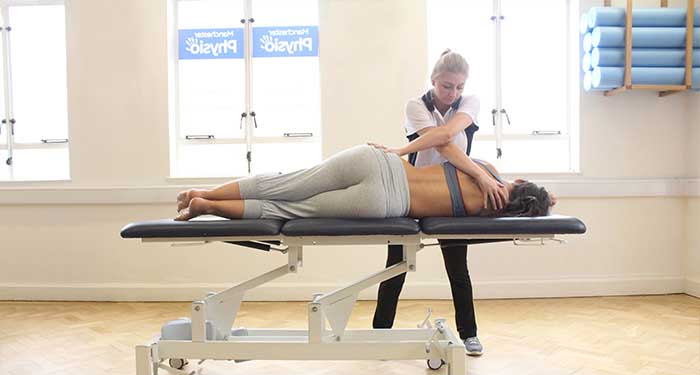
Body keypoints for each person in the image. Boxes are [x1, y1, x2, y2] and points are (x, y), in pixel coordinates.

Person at [372, 49, 499, 357]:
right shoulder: (416, 105)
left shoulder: (470, 102)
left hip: (453, 196)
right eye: (446, 86)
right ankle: (380, 334)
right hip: (414, 194)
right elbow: (443, 145)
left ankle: (469, 334)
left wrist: (401, 150)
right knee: (396, 266)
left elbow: (447, 134)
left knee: (458, 269)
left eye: (458, 87)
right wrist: (479, 174)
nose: (452, 93)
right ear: (433, 80)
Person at [174, 141, 553, 222]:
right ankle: (206, 207)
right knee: (289, 208)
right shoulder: (488, 215)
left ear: (516, 179)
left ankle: (202, 192)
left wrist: (482, 173)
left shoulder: (483, 166)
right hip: (384, 203)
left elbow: (446, 143)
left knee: (286, 182)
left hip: (381, 163)